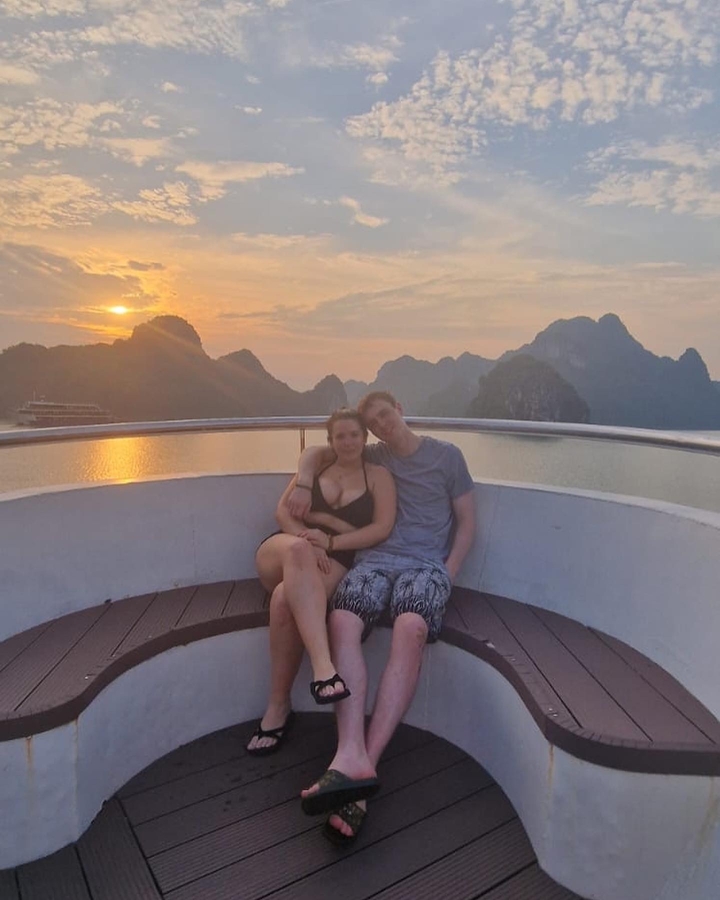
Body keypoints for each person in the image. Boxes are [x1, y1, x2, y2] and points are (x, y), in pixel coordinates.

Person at [287, 391, 476, 843]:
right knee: (342, 622)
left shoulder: (447, 457)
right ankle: (349, 754)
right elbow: (318, 449)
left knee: (411, 628)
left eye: (384, 415)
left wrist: (446, 574)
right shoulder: (374, 455)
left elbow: (467, 521)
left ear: (401, 410)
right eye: (373, 422)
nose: (381, 425)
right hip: (375, 561)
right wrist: (301, 477)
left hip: (426, 565)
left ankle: (360, 768)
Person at [246, 408, 396, 756]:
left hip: (334, 559)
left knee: (285, 598)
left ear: (365, 438)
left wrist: (329, 536)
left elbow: (380, 529)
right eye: (340, 436)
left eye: (354, 435)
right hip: (286, 547)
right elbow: (283, 513)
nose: (348, 442)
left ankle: (278, 707)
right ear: (330, 441)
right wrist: (308, 538)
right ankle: (323, 668)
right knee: (298, 552)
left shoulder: (378, 476)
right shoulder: (315, 468)